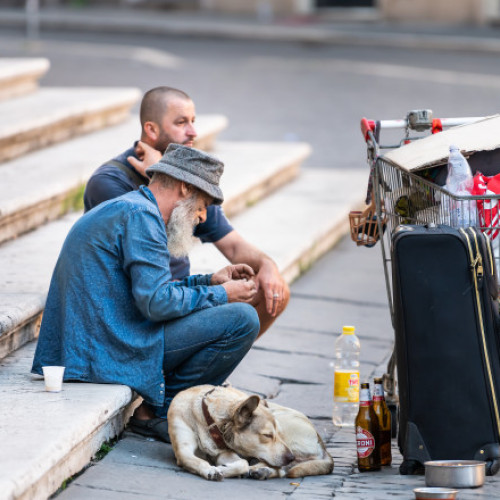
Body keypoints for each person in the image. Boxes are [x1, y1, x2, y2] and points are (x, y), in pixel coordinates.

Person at [32, 144, 260, 443]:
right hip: (101, 353)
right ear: (184, 187)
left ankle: (161, 409)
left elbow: (152, 294)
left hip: (97, 343)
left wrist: (211, 282)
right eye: (203, 203)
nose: (203, 216)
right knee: (242, 319)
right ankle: (161, 414)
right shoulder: (141, 216)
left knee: (227, 310)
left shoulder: (133, 208)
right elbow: (157, 304)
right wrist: (223, 296)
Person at [83, 86, 289, 337]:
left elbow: (233, 246)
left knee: (272, 291)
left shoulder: (189, 181)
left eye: (193, 121)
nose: (193, 132)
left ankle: (206, 367)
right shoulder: (109, 183)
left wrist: (267, 265)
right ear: (151, 129)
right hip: (139, 310)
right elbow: (144, 239)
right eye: (181, 123)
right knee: (239, 317)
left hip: (180, 297)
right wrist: (158, 174)